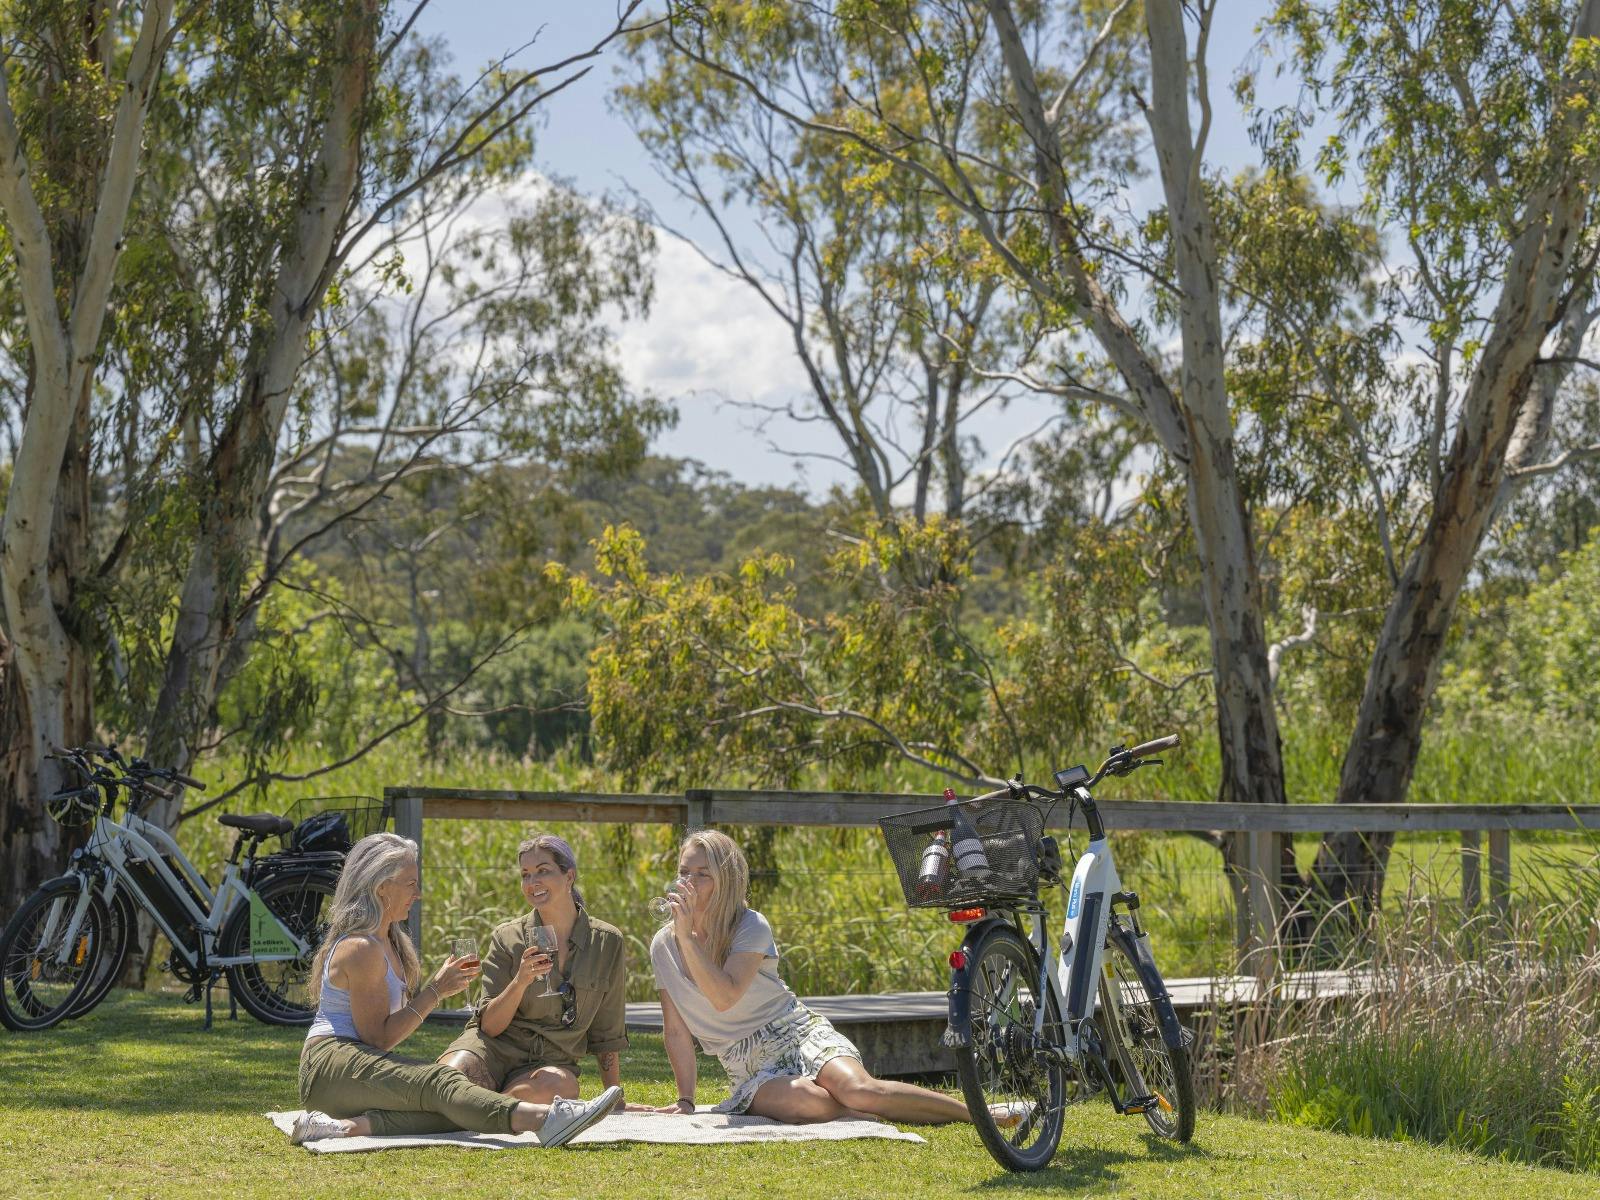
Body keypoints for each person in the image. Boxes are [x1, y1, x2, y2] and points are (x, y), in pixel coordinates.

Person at [291, 832, 620, 1146]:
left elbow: (378, 1040)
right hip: (331, 1064)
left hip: (353, 1064)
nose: (417, 893)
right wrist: (436, 990)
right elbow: (378, 1039)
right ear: (382, 888)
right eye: (410, 883)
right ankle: (544, 1118)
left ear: (570, 876)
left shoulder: (390, 942)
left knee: (446, 1097)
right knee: (442, 1085)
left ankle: (346, 1127)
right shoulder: (361, 948)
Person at [649, 830, 978, 1125]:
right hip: (743, 1062)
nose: (687, 883)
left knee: (861, 1089)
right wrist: (685, 1100)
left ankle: (978, 1115)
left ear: (727, 880)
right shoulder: (664, 945)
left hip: (795, 1032)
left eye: (702, 874)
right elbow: (676, 1030)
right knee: (808, 1102)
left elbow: (725, 996)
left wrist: (689, 940)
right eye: (683, 872)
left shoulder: (750, 925)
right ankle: (860, 1115)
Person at [438, 835, 628, 1105]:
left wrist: (615, 1097)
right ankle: (484, 1108)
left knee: (559, 1087)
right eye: (525, 875)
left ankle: (475, 1107)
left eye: (543, 871)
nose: (532, 883)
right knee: (446, 1079)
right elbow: (489, 1027)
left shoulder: (607, 941)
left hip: (550, 1065)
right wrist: (520, 981)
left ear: (569, 876)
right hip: (493, 1050)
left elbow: (607, 1031)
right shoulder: (507, 938)